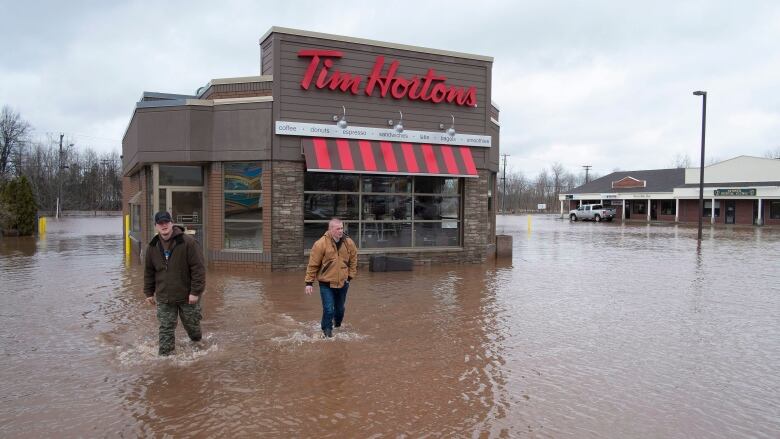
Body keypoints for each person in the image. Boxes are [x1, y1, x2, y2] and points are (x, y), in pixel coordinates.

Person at [143, 211, 206, 356]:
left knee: (193, 330)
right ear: (156, 226)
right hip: (165, 297)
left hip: (187, 296)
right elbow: (149, 272)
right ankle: (165, 362)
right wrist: (148, 293)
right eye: (160, 223)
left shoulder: (188, 242)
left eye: (166, 222)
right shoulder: (152, 247)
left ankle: (199, 348)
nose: (164, 225)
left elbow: (199, 269)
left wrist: (195, 292)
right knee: (166, 329)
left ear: (172, 223)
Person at [305, 218, 358, 338]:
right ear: (331, 229)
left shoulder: (348, 242)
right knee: (328, 309)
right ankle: (327, 332)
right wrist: (309, 283)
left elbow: (354, 259)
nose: (341, 231)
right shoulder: (320, 244)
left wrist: (350, 276)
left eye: (342, 228)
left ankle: (337, 326)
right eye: (338, 228)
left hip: (343, 283)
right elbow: (313, 264)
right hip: (326, 283)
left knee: (340, 310)